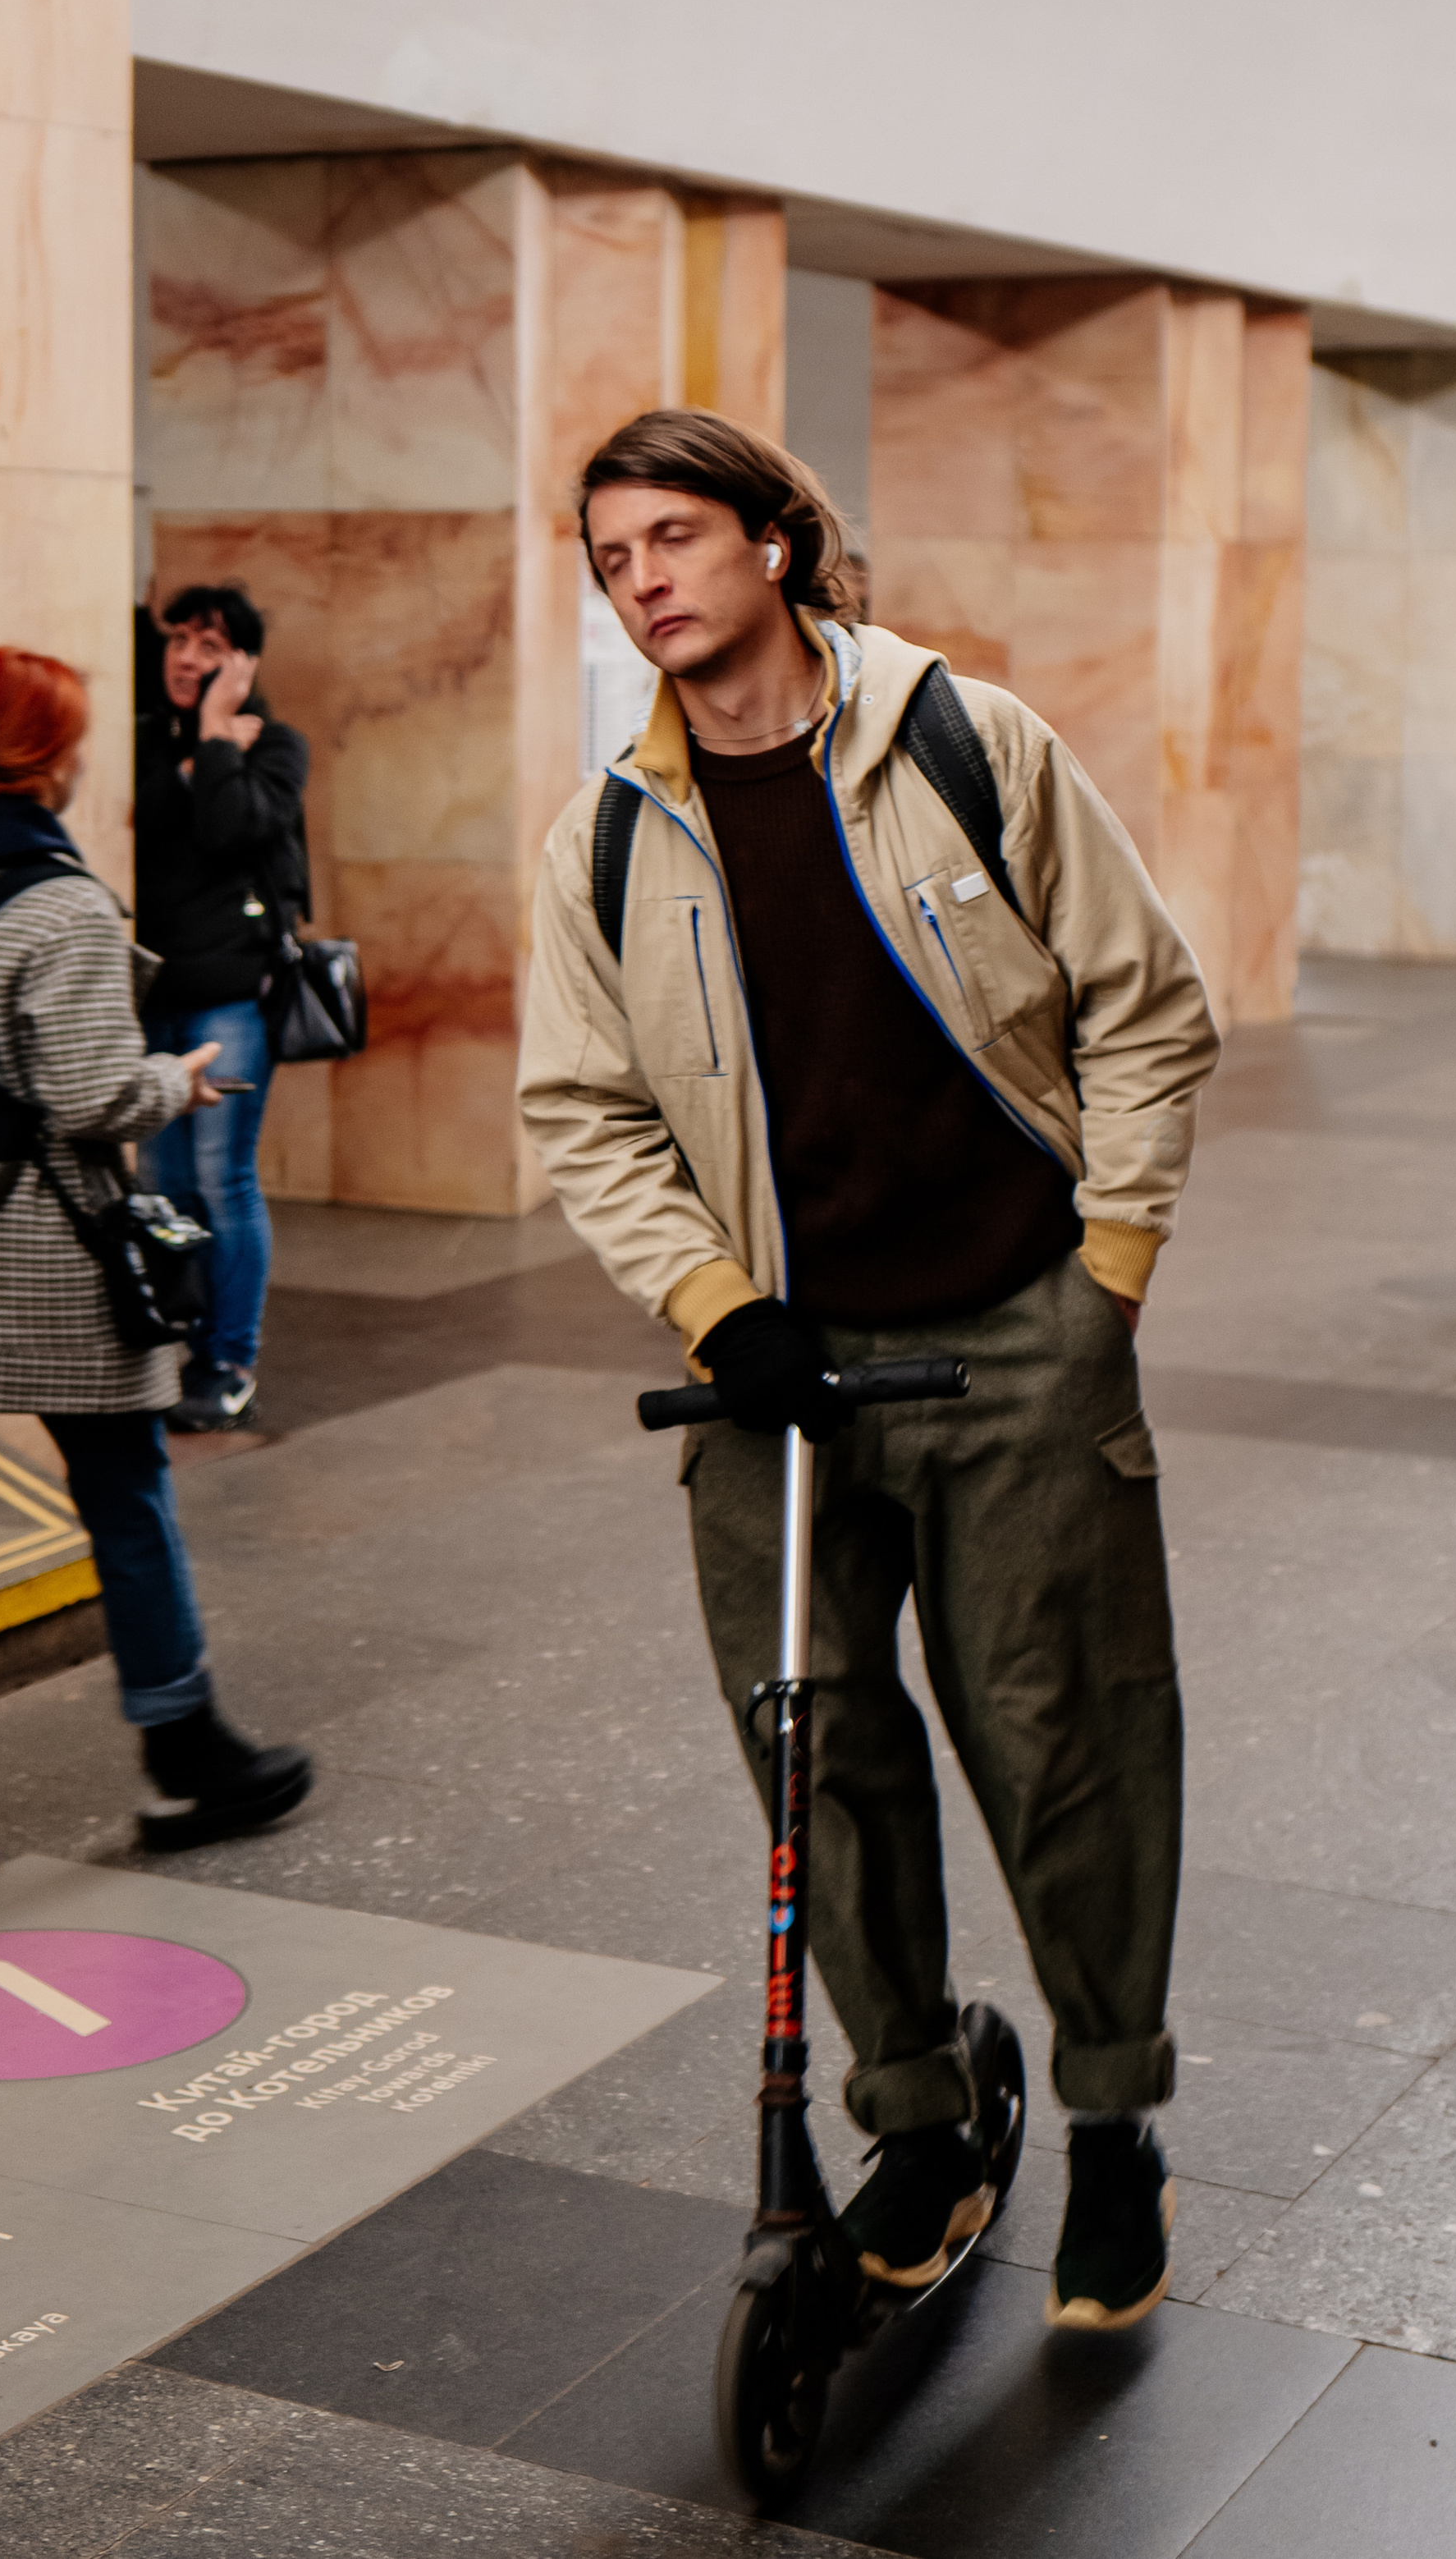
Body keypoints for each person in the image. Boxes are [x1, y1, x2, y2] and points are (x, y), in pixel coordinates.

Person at [519, 410, 1220, 2332]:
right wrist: (709, 1303)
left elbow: (1145, 1002)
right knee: (815, 1754)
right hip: (776, 1379)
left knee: (1060, 1739)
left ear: (772, 542)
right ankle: (914, 2112)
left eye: (673, 536)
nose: (642, 580)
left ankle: (1111, 2120)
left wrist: (1106, 1270)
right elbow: (582, 1110)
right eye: (609, 557)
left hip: (1013, 1340)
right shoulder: (608, 832)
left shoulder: (965, 745)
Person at [0, 645, 312, 1927]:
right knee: (128, 1495)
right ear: (52, 757)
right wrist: (179, 1078)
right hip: (44, 1262)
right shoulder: (62, 901)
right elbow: (93, 1096)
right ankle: (187, 1750)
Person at [135, 583, 310, 1433]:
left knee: (221, 1179)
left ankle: (228, 1360)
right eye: (179, 638)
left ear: (243, 664)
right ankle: (176, 1341)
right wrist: (191, 760)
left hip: (232, 1000)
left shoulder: (276, 746)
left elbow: (231, 826)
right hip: (149, 995)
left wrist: (213, 736)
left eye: (209, 645)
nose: (186, 657)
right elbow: (138, 825)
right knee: (163, 1184)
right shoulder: (141, 737)